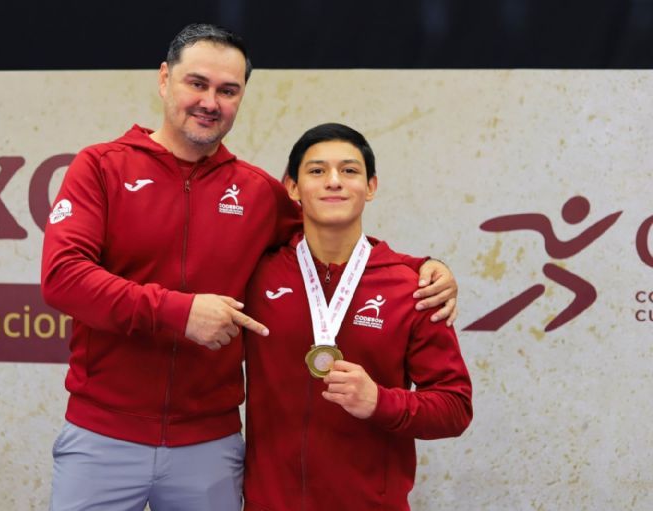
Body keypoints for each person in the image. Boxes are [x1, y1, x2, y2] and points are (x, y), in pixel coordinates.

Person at [41, 24, 459, 511]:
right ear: (164, 80)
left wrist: (428, 267)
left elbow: (331, 237)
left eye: (228, 90)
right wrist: (180, 312)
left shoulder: (259, 192)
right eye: (196, 83)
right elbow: (63, 278)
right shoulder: (102, 167)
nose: (210, 102)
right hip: (103, 437)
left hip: (209, 447)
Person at [243, 123, 473, 511]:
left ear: (370, 187)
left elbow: (455, 407)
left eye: (349, 171)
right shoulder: (256, 272)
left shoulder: (414, 287)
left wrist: (379, 402)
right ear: (292, 188)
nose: (334, 181)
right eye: (317, 171)